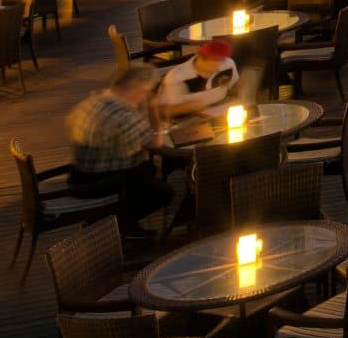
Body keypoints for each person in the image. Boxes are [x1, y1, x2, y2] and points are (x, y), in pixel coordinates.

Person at [67, 68, 171, 232]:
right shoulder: (124, 115)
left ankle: (118, 221)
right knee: (164, 192)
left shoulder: (94, 100)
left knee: (148, 169)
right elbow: (155, 143)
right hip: (103, 184)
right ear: (139, 90)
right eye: (147, 92)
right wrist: (153, 109)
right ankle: (114, 225)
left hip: (79, 175)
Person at [154, 40, 239, 121]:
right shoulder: (176, 76)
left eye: (222, 60)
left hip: (220, 111)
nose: (219, 66)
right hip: (188, 119)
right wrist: (186, 107)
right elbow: (162, 111)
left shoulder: (228, 64)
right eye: (215, 61)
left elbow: (235, 85)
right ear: (201, 58)